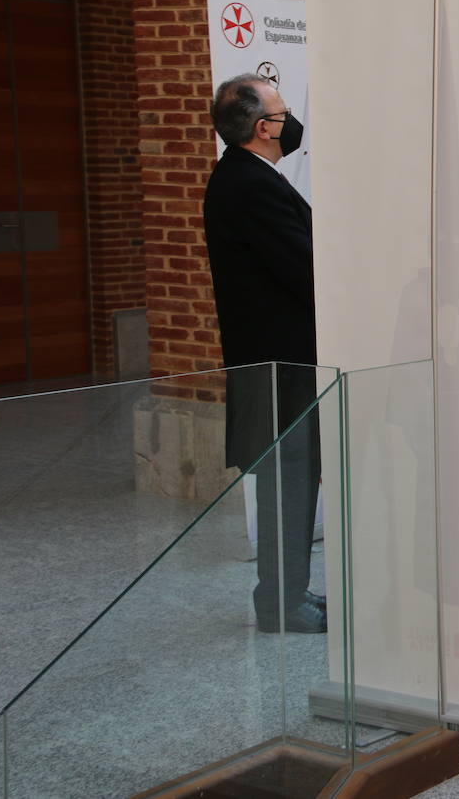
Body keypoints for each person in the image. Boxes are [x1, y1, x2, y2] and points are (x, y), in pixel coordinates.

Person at [203, 73, 325, 634]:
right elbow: (306, 272)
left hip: (283, 363)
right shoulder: (249, 184)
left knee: (296, 482)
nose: (289, 119)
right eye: (281, 111)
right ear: (263, 127)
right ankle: (281, 602)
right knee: (289, 482)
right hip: (278, 368)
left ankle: (287, 591)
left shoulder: (251, 177)